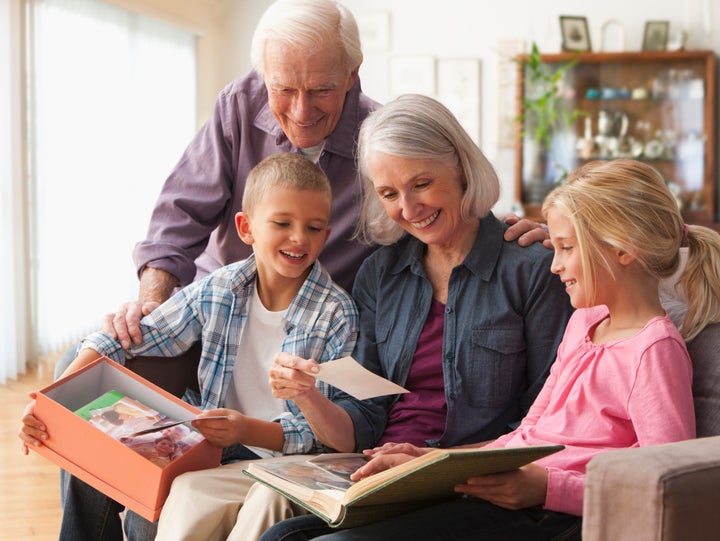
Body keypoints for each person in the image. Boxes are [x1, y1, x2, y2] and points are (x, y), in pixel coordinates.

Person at [151, 94, 574, 541]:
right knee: (243, 516)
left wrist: (434, 461)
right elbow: (364, 413)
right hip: (371, 468)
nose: (409, 209)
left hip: (465, 473)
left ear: (462, 167)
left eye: (423, 183)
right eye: (390, 193)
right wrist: (311, 396)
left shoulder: (530, 268)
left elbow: (545, 421)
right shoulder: (382, 273)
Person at [260, 158, 720, 541]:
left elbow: (668, 485)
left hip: (548, 516)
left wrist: (544, 488)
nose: (554, 264)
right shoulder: (584, 324)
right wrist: (435, 462)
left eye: (564, 248)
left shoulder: (653, 350)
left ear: (623, 250)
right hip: (508, 492)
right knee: (285, 536)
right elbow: (528, 433)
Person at [19, 152, 360, 540]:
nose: (299, 238)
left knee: (145, 522)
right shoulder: (221, 289)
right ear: (246, 228)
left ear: (327, 235)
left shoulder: (336, 314)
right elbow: (126, 339)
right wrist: (49, 402)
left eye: (314, 228)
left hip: (281, 461)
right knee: (91, 449)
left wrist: (243, 430)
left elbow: (321, 437)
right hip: (209, 446)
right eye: (282, 223)